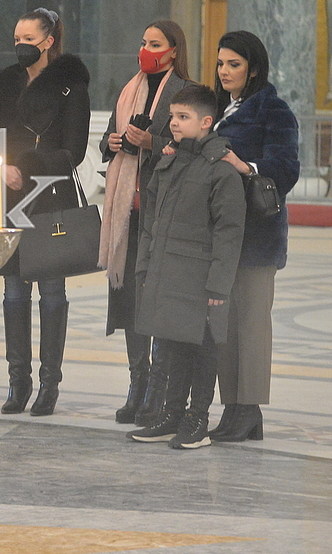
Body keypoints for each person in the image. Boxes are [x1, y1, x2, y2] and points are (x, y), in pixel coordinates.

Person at [0, 8, 90, 416]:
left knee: (51, 291)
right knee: (12, 292)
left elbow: (73, 152)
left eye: (28, 39)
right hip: (8, 200)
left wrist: (24, 166)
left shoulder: (70, 86)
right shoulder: (4, 86)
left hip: (49, 199)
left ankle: (49, 384)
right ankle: (17, 382)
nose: (20, 46)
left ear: (48, 41)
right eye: (16, 39)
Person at [126, 84, 246, 449]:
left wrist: (218, 286)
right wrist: (145, 266)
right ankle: (171, 415)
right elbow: (151, 219)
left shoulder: (221, 170)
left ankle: (197, 420)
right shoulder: (168, 161)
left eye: (183, 117)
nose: (173, 124)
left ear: (206, 122)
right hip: (166, 270)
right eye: (173, 116)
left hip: (200, 277)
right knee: (171, 343)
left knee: (202, 348)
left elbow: (229, 232)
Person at [98, 20, 196, 425]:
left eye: (154, 44)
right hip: (128, 214)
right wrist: (115, 142)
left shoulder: (186, 92)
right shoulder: (129, 89)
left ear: (173, 50)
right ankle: (136, 384)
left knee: (157, 302)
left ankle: (158, 390)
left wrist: (150, 143)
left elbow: (191, 148)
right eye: (143, 42)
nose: (146, 50)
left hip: (163, 212)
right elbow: (107, 139)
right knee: (131, 303)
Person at [210, 30, 299, 442]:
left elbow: (285, 169)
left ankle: (249, 408)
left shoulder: (273, 110)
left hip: (258, 236)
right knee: (224, 323)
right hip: (223, 234)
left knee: (251, 325)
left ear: (254, 69)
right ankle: (233, 408)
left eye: (234, 64)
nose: (224, 71)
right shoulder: (217, 109)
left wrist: (244, 165)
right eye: (221, 63)